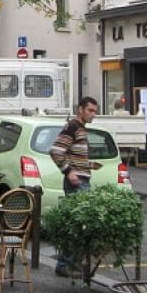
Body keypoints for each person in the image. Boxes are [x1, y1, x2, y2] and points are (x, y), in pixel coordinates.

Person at [49, 96, 102, 277]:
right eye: (90, 110)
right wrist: (69, 171)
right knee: (78, 224)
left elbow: (72, 154)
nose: (93, 114)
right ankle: (66, 265)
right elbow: (56, 151)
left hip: (82, 178)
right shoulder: (72, 127)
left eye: (95, 111)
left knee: (79, 225)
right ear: (80, 109)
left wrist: (88, 164)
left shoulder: (81, 129)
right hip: (76, 182)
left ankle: (70, 263)